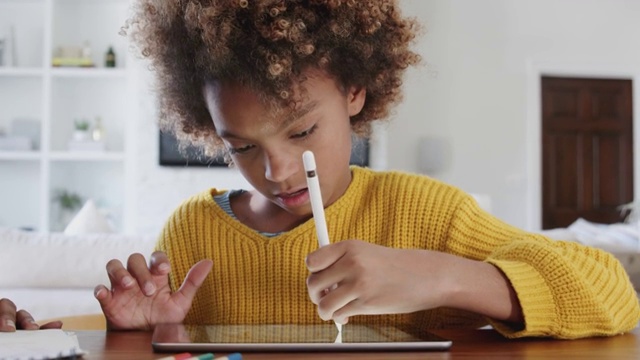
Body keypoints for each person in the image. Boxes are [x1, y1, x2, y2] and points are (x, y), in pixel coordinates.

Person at [94, 0, 640, 338]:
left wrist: (439, 276)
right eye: (241, 147)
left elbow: (611, 290)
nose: (278, 170)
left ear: (355, 91)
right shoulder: (192, 233)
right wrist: (149, 336)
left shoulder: (425, 214)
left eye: (302, 131)